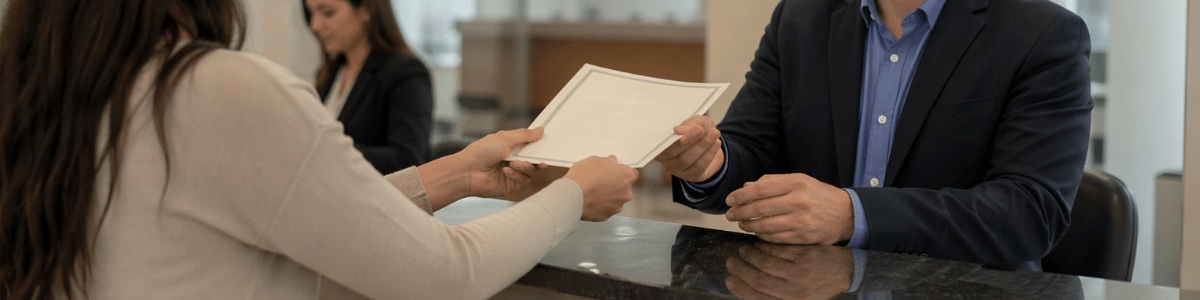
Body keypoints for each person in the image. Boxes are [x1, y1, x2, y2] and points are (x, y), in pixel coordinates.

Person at [0, 0, 638, 299]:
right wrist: (571, 192)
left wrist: (452, 175)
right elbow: (445, 274)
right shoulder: (218, 88)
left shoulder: (50, 96)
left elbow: (304, 211)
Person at [656, 0, 1092, 270]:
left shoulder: (1043, 34)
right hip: (807, 285)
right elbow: (750, 152)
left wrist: (853, 213)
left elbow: (1030, 212)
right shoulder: (801, 17)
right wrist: (710, 166)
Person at [303, 0, 432, 174]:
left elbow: (408, 159)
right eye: (311, 14)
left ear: (365, 9)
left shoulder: (405, 73)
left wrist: (328, 151)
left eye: (327, 12)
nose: (315, 25)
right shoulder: (331, 72)